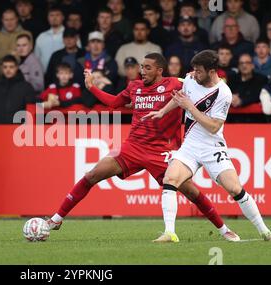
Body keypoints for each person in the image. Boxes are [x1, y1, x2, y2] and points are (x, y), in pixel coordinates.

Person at [46, 53, 240, 243]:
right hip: (133, 148)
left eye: (147, 68)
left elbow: (205, 81)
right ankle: (56, 219)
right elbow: (114, 103)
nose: (142, 71)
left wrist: (203, 79)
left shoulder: (176, 83)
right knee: (92, 175)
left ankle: (224, 230)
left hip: (162, 151)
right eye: (141, 67)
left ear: (159, 70)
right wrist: (92, 88)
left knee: (191, 192)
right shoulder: (134, 86)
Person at [145, 50, 271, 241]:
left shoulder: (223, 93)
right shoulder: (192, 79)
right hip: (190, 145)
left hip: (212, 147)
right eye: (194, 70)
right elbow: (181, 97)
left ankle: (265, 233)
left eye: (199, 71)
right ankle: (169, 233)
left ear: (211, 71)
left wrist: (190, 107)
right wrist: (162, 112)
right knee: (170, 178)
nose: (195, 74)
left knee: (235, 189)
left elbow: (213, 126)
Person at [0, 55, 35, 124]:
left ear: (17, 68)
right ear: (2, 68)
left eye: (11, 67)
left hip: (18, 131)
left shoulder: (26, 87)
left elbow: (30, 110)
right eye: (5, 67)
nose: (8, 70)